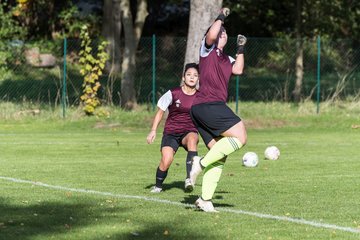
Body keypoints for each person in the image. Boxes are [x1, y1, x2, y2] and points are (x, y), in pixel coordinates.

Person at [189, 8, 247, 212]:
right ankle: (200, 163)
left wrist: (240, 48)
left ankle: (205, 199)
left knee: (220, 154)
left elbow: (238, 70)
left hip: (204, 108)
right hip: (208, 104)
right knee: (240, 136)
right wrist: (221, 16)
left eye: (225, 30)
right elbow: (212, 34)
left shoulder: (226, 59)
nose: (222, 32)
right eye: (219, 30)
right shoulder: (208, 51)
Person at [147, 63, 200, 193]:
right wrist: (153, 130)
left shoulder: (201, 96)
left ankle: (189, 178)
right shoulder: (173, 93)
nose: (192, 77)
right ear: (183, 78)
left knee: (193, 138)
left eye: (195, 75)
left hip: (189, 132)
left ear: (198, 78)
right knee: (167, 160)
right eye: (189, 75)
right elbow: (160, 112)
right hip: (171, 133)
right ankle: (158, 186)